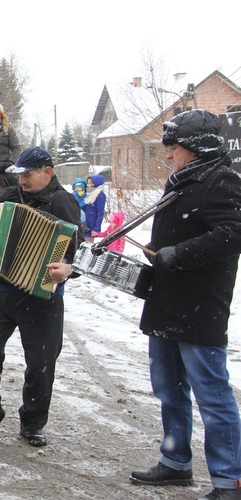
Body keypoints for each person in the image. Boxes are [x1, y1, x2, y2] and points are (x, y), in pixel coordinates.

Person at [129, 110, 241, 499]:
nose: (168, 155)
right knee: (170, 389)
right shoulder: (185, 180)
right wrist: (160, 254)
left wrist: (177, 255)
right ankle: (176, 462)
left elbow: (233, 233)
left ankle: (229, 480)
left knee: (212, 393)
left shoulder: (222, 180)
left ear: (195, 148)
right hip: (166, 304)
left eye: (173, 148)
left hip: (199, 307)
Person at [0, 146, 82, 447]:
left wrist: (67, 268)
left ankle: (32, 422)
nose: (22, 181)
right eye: (19, 175)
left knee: (41, 362)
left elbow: (79, 250)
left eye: (27, 175)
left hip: (42, 298)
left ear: (48, 172)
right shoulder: (8, 197)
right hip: (2, 292)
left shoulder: (63, 202)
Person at [83, 174, 106, 242]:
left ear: (95, 184)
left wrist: (96, 228)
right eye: (88, 182)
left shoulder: (100, 195)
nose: (87, 185)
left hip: (91, 225)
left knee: (88, 245)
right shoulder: (87, 193)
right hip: (84, 224)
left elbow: (100, 213)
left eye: (90, 183)